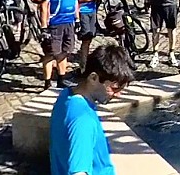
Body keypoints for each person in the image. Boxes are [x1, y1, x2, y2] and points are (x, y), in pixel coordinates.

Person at [49, 45, 135, 175]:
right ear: (93, 78)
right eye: (114, 88)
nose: (118, 95)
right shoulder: (83, 121)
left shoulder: (66, 95)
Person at [42, 0, 80, 90]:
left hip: (69, 22)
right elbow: (44, 5)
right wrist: (44, 26)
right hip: (55, 23)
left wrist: (77, 19)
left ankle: (61, 80)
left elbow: (75, 1)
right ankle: (47, 82)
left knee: (64, 52)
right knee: (51, 53)